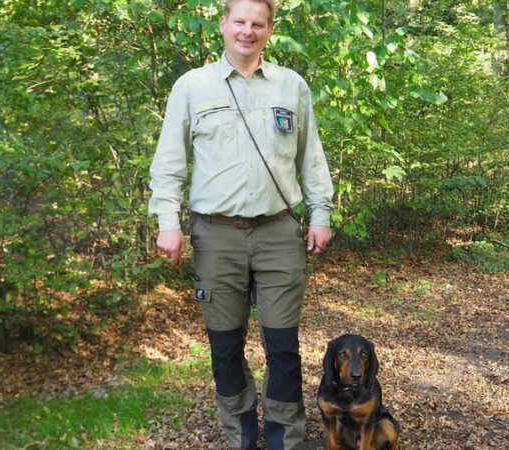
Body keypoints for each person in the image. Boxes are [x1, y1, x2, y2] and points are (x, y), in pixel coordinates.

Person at [148, 0, 333, 448]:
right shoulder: (193, 86)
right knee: (225, 347)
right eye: (240, 21)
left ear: (269, 30)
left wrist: (320, 214)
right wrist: (167, 222)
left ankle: (284, 438)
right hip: (216, 236)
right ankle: (240, 434)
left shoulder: (291, 86)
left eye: (258, 23)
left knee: (282, 345)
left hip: (278, 233)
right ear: (223, 25)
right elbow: (170, 162)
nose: (247, 31)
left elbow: (311, 157)